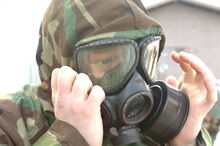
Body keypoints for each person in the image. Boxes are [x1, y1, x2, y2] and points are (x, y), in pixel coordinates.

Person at [0, 0, 217, 146]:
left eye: (144, 57)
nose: (136, 80)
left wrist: (186, 139)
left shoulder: (152, 126)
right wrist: (70, 137)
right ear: (63, 62)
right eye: (105, 60)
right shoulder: (9, 122)